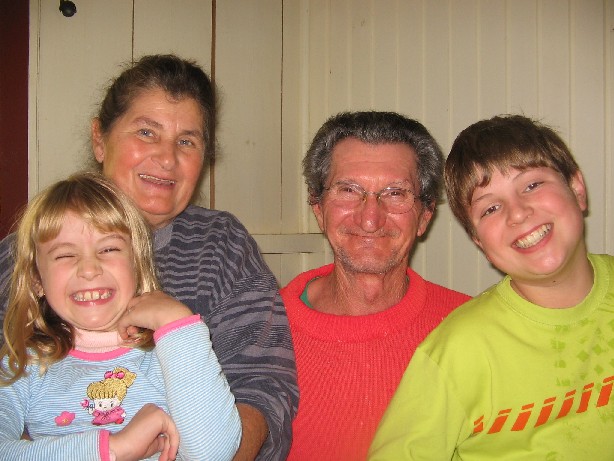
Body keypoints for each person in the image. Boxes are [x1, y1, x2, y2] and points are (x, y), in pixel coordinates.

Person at [0, 54, 298, 460]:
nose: (167, 158)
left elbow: (262, 387)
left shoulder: (222, 246)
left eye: (187, 141)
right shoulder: (23, 255)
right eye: (146, 132)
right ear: (100, 139)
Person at [369, 114, 614, 460]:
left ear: (577, 189)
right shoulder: (458, 350)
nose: (518, 213)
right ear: (479, 242)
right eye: (491, 208)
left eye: (532, 185)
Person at [0, 172, 242, 460]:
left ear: (137, 265)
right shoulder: (23, 365)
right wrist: (114, 449)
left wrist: (177, 324)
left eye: (109, 249)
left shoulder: (170, 355)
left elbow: (214, 453)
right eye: (65, 255)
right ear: (37, 280)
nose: (89, 269)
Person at [280, 111, 470, 460]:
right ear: (318, 208)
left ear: (425, 215)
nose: (370, 219)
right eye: (348, 190)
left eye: (395, 193)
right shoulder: (257, 330)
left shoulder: (470, 327)